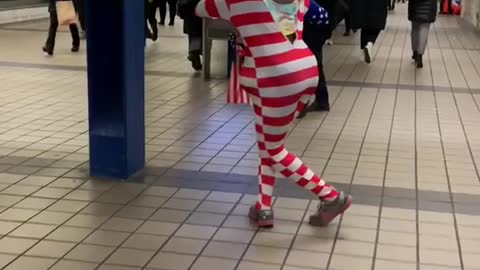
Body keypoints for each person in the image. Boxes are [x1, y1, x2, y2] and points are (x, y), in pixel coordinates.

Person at [195, 0, 352, 228]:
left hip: (271, 76)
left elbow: (197, 7)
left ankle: (331, 196)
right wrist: (280, 22)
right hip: (305, 69)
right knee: (268, 142)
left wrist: (247, 25)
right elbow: (322, 18)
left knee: (273, 149)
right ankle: (263, 207)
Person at [298, 0, 332, 118]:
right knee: (313, 66)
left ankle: (302, 106)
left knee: (310, 67)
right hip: (312, 29)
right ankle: (321, 101)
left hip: (314, 32)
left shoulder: (301, 4)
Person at [409, 0, 437, 68]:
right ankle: (420, 54)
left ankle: (415, 51)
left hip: (415, 4)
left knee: (415, 28)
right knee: (424, 29)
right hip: (429, 4)